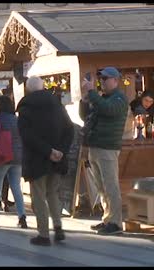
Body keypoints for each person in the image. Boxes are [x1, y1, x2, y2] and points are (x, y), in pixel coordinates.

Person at [17, 76, 74, 246]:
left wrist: (47, 151)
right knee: (53, 193)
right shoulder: (57, 105)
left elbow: (27, 136)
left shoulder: (26, 107)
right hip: (57, 158)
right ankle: (58, 227)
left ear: (28, 89)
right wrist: (60, 151)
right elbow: (69, 130)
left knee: (39, 196)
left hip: (37, 159)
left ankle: (43, 234)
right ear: (43, 88)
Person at [79, 67, 128, 235]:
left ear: (115, 80)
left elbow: (108, 110)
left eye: (105, 79)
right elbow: (85, 116)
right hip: (96, 146)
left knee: (111, 186)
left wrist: (92, 92)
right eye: (101, 79)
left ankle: (116, 223)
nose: (102, 81)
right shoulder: (102, 98)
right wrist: (84, 100)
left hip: (107, 148)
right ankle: (107, 219)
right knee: (101, 186)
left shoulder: (120, 99)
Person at [0, 95, 27, 228]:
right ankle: (22, 217)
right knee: (16, 187)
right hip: (17, 158)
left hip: (1, 157)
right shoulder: (18, 120)